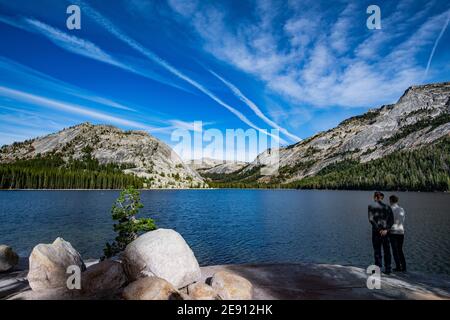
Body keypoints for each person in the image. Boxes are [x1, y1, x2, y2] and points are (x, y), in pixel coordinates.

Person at [368, 191, 394, 274]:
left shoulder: (371, 206)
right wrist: (386, 230)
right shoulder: (388, 207)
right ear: (381, 198)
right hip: (386, 232)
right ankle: (388, 268)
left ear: (375, 197)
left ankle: (377, 268)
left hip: (376, 232)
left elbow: (371, 219)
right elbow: (391, 220)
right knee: (387, 250)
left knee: (377, 250)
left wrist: (379, 230)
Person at [389, 195, 407, 272]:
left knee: (395, 250)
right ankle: (404, 266)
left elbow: (389, 220)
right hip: (401, 231)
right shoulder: (402, 209)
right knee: (400, 250)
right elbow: (403, 220)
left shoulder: (390, 209)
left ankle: (398, 267)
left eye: (389, 200)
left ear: (391, 200)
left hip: (393, 232)